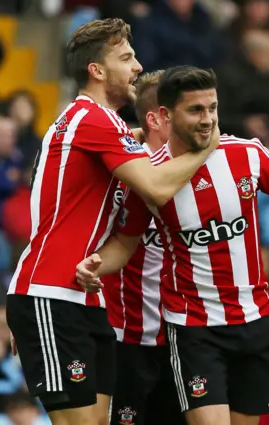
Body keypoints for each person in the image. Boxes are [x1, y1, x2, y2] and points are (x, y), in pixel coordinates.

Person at [75, 66, 269, 425]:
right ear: (165, 115)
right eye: (196, 110)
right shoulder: (148, 177)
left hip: (254, 321)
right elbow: (125, 243)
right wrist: (93, 264)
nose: (208, 119)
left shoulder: (248, 155)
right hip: (193, 327)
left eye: (212, 108)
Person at [6, 20, 220, 425]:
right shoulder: (91, 119)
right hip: (51, 294)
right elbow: (157, 188)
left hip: (85, 299)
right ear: (97, 71)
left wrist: (95, 265)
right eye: (125, 58)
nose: (137, 66)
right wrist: (204, 147)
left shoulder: (109, 130)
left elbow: (123, 241)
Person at [102, 69, 185, 425]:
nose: (204, 122)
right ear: (157, 119)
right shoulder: (117, 174)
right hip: (127, 339)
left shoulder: (206, 172)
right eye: (187, 112)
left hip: (187, 339)